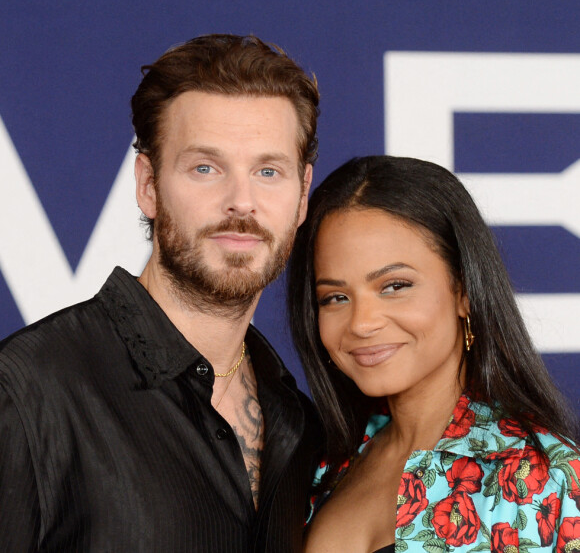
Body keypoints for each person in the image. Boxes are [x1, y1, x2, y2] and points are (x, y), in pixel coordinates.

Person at [0, 34, 321, 552]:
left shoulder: (300, 423)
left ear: (302, 194)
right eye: (205, 168)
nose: (242, 202)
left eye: (268, 171)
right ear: (148, 185)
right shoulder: (29, 391)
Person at [287, 155, 580, 552]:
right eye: (336, 297)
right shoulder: (322, 466)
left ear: (464, 291)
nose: (361, 323)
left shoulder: (545, 477)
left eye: (395, 286)